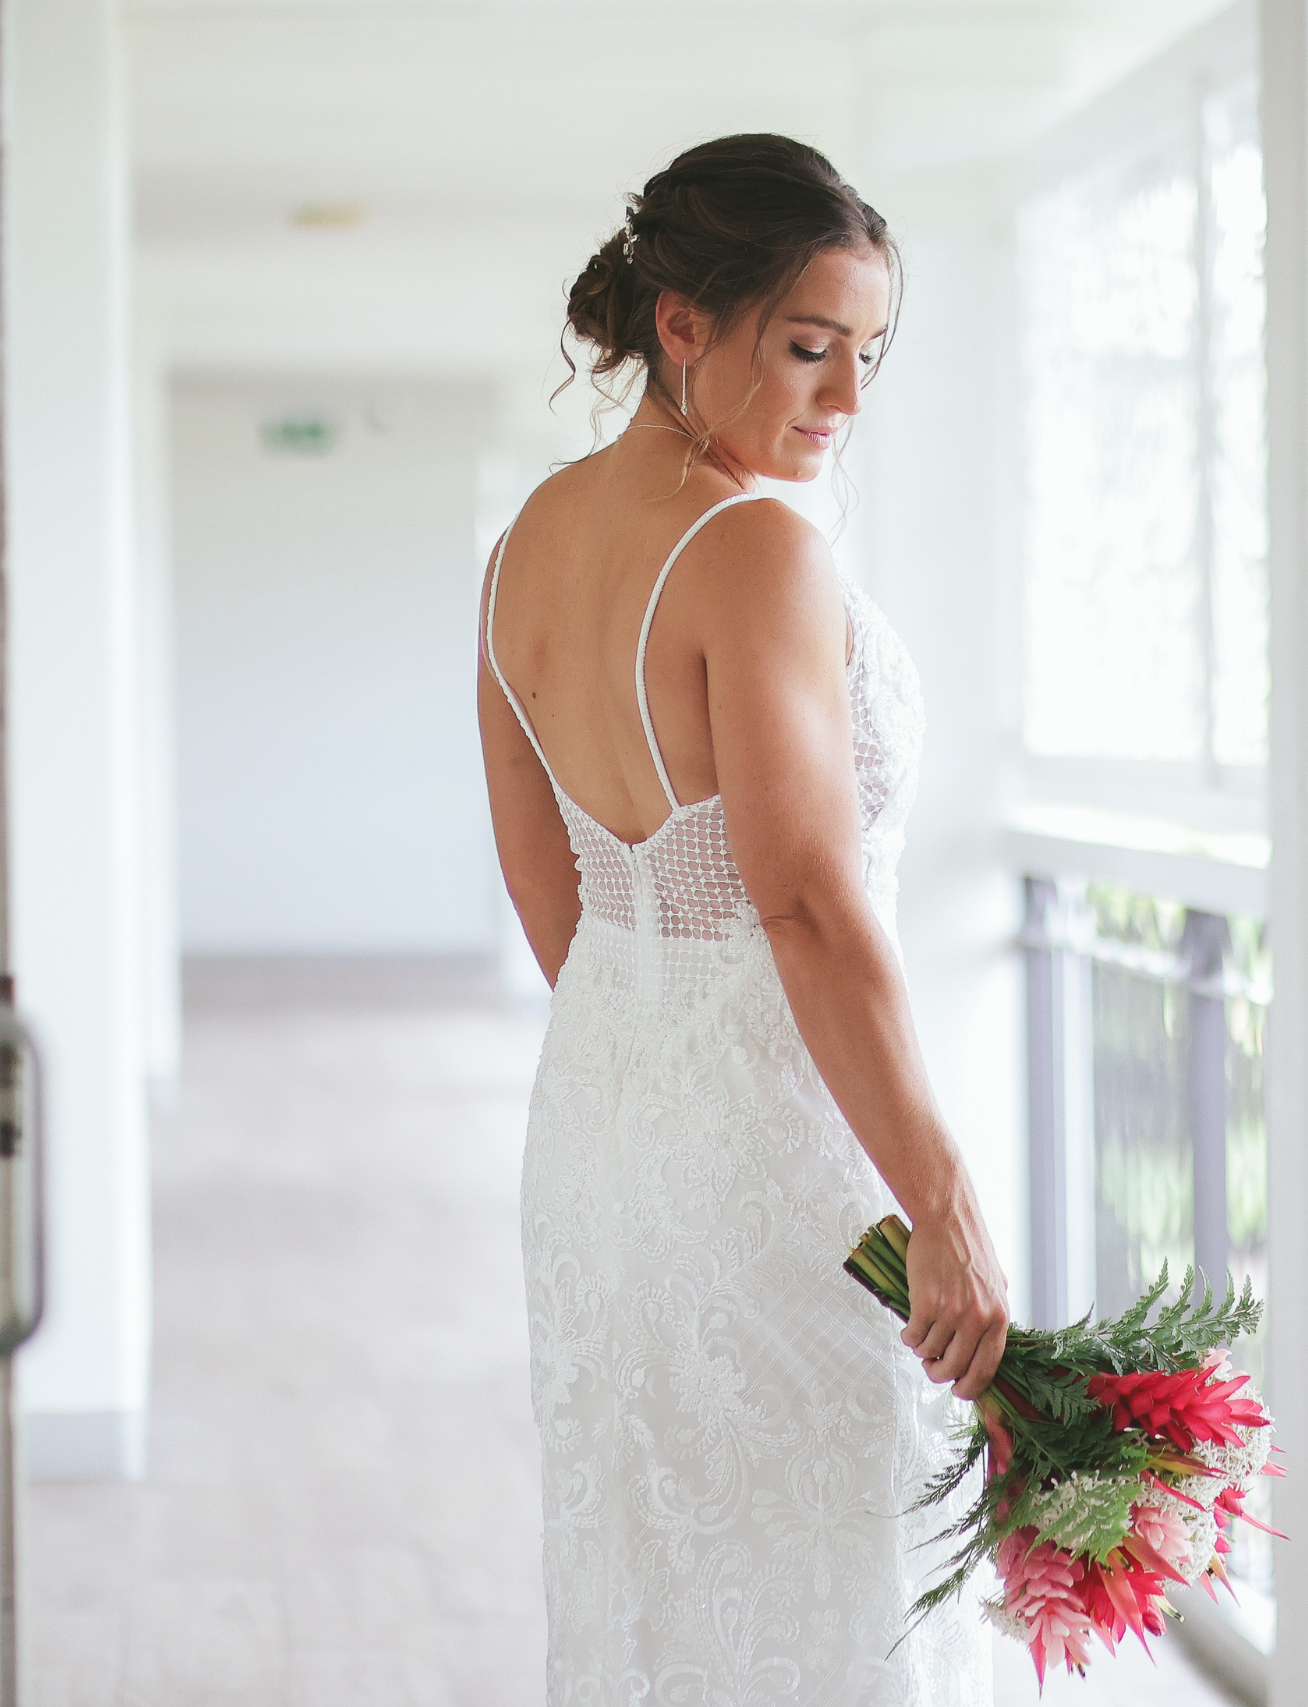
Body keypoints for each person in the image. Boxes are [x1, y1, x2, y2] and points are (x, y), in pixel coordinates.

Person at [476, 134, 1007, 1705]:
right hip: (790, 1158)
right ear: (681, 324)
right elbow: (809, 904)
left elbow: (545, 888)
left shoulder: (522, 550)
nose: (844, 400)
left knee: (657, 1581)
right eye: (806, 347)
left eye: (869, 355)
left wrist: (661, 1067)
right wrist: (946, 1202)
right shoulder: (758, 547)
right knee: (848, 1585)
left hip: (601, 1137)